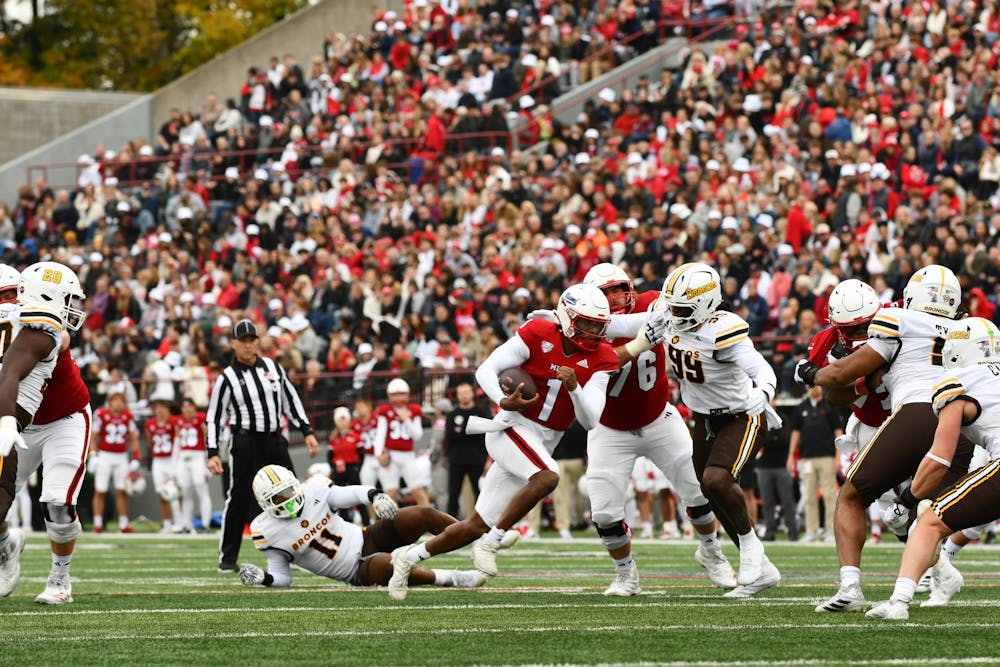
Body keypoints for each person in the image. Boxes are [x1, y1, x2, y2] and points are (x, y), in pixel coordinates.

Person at [386, 283, 629, 600]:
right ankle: (493, 541)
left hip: (543, 440)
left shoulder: (603, 357)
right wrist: (503, 399)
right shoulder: (540, 331)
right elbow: (486, 368)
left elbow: (589, 419)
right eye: (587, 323)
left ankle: (407, 559)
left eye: (599, 325)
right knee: (548, 476)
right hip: (511, 426)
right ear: (569, 317)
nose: (594, 332)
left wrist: (574, 388)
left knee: (473, 525)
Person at [796, 265, 975, 613]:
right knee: (920, 513)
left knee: (851, 496)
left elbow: (842, 374)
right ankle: (934, 575)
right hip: (963, 425)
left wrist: (813, 374)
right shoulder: (963, 328)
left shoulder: (899, 320)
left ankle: (852, 588)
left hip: (918, 413)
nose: (859, 332)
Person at [609, 262, 782, 597]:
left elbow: (762, 369)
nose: (673, 313)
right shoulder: (668, 313)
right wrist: (565, 318)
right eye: (670, 305)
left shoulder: (722, 330)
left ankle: (751, 548)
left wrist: (763, 393)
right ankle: (765, 573)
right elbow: (623, 323)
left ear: (704, 304)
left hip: (741, 415)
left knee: (717, 479)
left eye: (681, 308)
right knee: (709, 490)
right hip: (703, 419)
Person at [581, 263, 735, 595]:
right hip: (609, 429)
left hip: (658, 418)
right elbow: (603, 362)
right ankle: (625, 573)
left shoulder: (652, 301)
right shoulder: (585, 328)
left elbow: (669, 308)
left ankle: (711, 552)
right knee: (605, 511)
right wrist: (638, 342)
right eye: (605, 293)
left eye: (618, 288)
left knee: (697, 489)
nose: (615, 297)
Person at [867, 318, 1000, 619]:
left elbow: (940, 457)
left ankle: (899, 603)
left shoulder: (959, 383)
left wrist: (908, 500)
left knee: (928, 523)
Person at [238, 465, 486, 591]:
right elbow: (283, 578)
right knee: (392, 564)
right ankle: (451, 578)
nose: (287, 499)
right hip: (357, 571)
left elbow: (350, 493)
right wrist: (265, 578)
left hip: (367, 537)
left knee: (419, 514)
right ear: (265, 504)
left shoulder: (315, 489)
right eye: (278, 498)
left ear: (296, 483)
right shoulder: (267, 531)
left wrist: (375, 496)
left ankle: (476, 538)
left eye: (288, 491)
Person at [0, 262, 90, 604]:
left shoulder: (45, 329)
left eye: (13, 294)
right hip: (16, 422)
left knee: (58, 502)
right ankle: (6, 545)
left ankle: (59, 578)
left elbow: (60, 337)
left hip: (63, 419)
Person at [205, 318, 320, 572]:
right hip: (245, 441)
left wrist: (307, 430)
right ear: (233, 344)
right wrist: (212, 451)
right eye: (242, 341)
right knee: (238, 497)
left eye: (252, 340)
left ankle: (300, 553)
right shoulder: (227, 378)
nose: (248, 346)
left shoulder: (273, 367)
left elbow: (291, 400)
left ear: (258, 342)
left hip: (274, 440)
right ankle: (228, 558)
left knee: (293, 494)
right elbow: (214, 416)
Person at [788, 385, 843, 542]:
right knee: (809, 496)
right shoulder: (801, 408)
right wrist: (791, 456)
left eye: (815, 385)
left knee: (829, 495)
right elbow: (795, 432)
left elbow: (838, 432)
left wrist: (839, 456)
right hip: (806, 458)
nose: (813, 388)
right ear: (806, 387)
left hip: (827, 456)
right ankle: (811, 530)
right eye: (810, 386)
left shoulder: (829, 406)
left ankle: (831, 531)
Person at [89, 390, 140, 533]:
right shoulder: (101, 415)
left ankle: (123, 524)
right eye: (115, 400)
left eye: (121, 400)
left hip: (121, 456)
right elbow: (93, 437)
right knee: (100, 490)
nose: (118, 403)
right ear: (110, 402)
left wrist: (136, 457)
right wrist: (93, 455)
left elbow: (134, 437)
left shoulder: (128, 416)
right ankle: (97, 523)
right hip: (105, 455)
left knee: (121, 490)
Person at [373, 379, 428, 506]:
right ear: (389, 396)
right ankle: (389, 525)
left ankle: (430, 522)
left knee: (418, 491)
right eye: (395, 394)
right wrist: (378, 454)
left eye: (401, 394)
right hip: (390, 455)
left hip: (407, 455)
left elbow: (417, 436)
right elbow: (380, 434)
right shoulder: (385, 411)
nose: (398, 397)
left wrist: (407, 420)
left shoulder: (413, 410)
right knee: (391, 493)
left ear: (407, 394)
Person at [442, 381, 490, 519]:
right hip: (456, 459)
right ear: (457, 396)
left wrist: (488, 459)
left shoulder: (481, 413)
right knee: (453, 493)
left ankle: (482, 524)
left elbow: (486, 436)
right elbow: (449, 436)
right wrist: (447, 456)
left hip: (477, 459)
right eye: (460, 393)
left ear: (472, 394)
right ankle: (448, 524)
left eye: (466, 393)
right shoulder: (452, 415)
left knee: (479, 492)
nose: (463, 396)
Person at [173, 398, 212, 532]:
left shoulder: (201, 419)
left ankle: (205, 523)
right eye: (185, 407)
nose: (187, 410)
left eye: (190, 407)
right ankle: (186, 524)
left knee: (201, 490)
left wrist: (208, 463)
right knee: (185, 492)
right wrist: (174, 466)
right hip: (183, 459)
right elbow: (177, 443)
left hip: (198, 458)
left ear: (194, 408)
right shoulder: (178, 421)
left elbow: (208, 440)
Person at [144, 400, 181, 533]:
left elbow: (178, 440)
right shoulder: (150, 424)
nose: (160, 411)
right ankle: (167, 524)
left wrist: (176, 461)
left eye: (163, 408)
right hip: (158, 461)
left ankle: (179, 523)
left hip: (171, 460)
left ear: (168, 410)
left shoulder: (174, 422)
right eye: (157, 408)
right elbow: (149, 443)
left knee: (174, 492)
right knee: (162, 493)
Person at [552, 421, 587, 540]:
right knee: (576, 495)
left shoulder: (558, 415)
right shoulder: (579, 418)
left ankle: (568, 526)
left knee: (565, 496)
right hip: (572, 459)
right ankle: (573, 524)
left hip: (563, 459)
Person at [328, 406, 363, 521]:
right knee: (340, 497)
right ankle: (345, 521)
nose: (342, 423)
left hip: (351, 468)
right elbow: (330, 456)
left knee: (358, 495)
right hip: (338, 471)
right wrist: (334, 469)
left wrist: (357, 468)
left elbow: (361, 454)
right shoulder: (333, 438)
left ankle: (366, 521)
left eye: (344, 419)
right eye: (340, 420)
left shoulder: (355, 436)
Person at [351, 398, 380, 523]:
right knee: (367, 490)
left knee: (391, 488)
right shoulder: (354, 425)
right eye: (357, 408)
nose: (360, 410)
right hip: (367, 458)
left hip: (381, 456)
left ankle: (393, 520)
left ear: (369, 407)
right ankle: (372, 521)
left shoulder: (378, 419)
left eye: (362, 406)